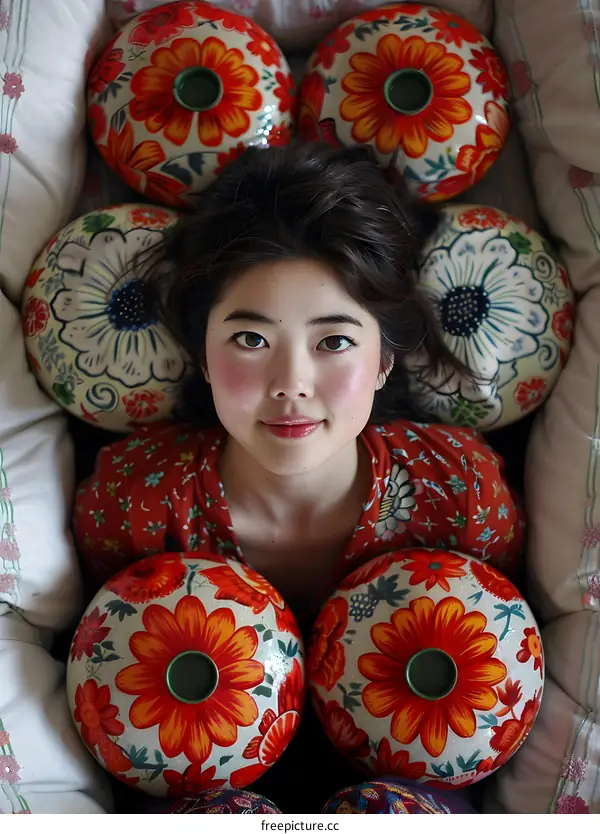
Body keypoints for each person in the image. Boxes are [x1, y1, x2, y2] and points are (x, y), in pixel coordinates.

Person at [73, 142, 523, 813]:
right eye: (251, 340)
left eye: (334, 341)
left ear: (383, 360)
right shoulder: (134, 501)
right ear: (200, 351)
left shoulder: (458, 493)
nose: (291, 385)